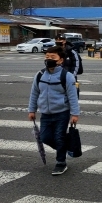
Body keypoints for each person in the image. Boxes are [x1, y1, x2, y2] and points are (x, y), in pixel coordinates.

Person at [28, 46, 79, 176]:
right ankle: (65, 147)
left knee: (59, 137)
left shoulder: (66, 76)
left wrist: (74, 114)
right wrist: (31, 110)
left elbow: (72, 96)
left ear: (60, 60)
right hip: (45, 113)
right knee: (44, 137)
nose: (49, 59)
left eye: (52, 57)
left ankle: (61, 163)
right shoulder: (39, 75)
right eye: (47, 57)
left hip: (62, 113)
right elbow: (34, 93)